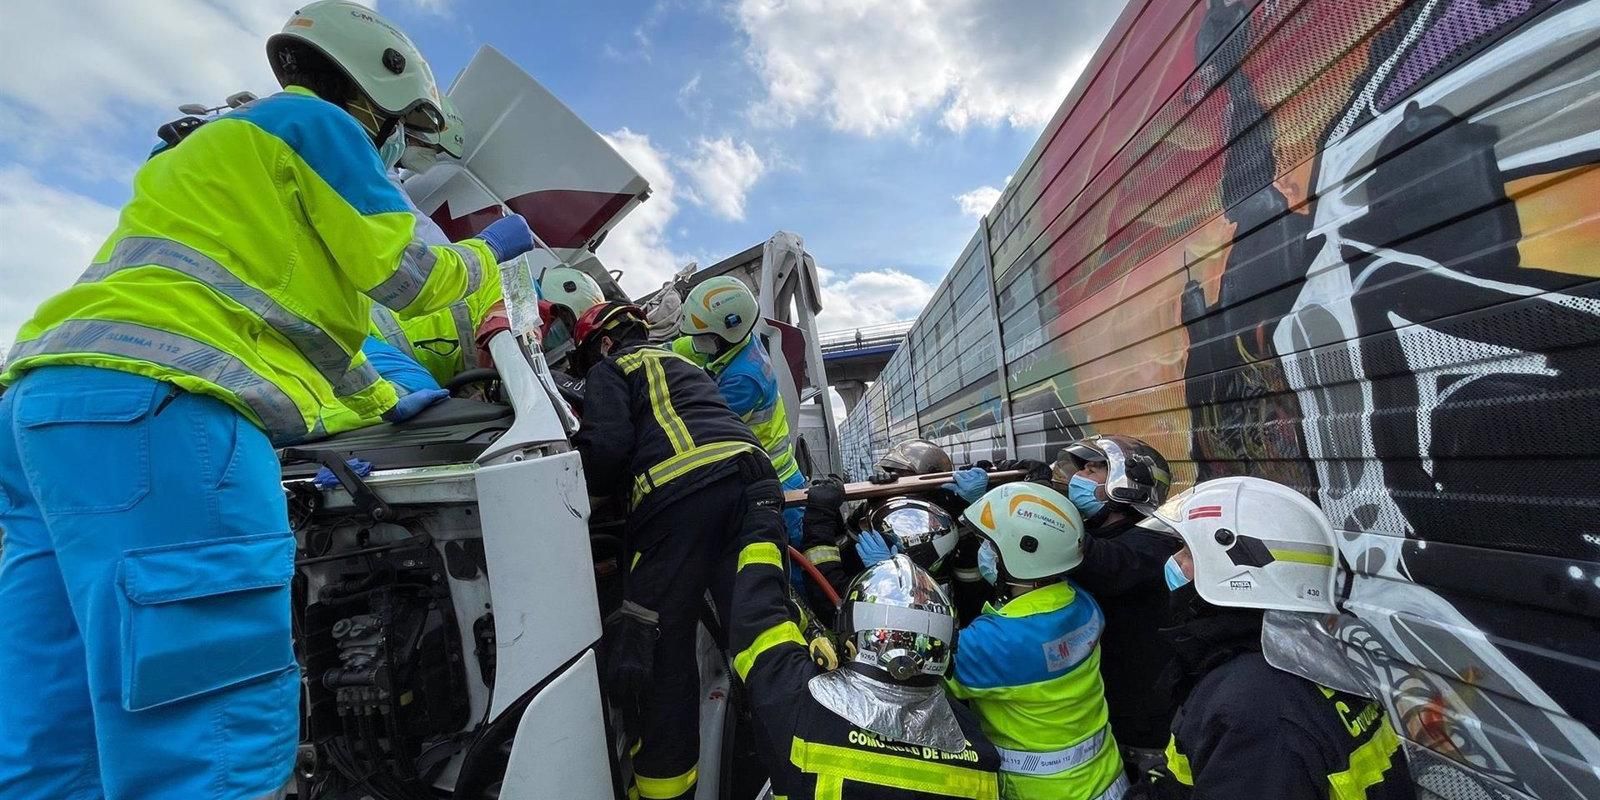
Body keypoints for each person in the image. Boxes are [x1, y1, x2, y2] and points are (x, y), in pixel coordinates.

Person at [0, 3, 536, 798]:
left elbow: (291, 333)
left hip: (46, 406)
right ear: (379, 100)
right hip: (162, 413)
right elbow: (412, 274)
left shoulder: (214, 156)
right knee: (207, 737)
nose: (397, 159)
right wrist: (487, 256)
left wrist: (390, 395)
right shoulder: (318, 126)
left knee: (55, 719)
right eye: (404, 138)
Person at [569, 301, 769, 800]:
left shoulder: (611, 368)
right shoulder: (686, 364)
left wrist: (576, 495)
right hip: (754, 485)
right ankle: (783, 758)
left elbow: (609, 448)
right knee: (760, 627)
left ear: (605, 344)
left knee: (657, 649)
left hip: (685, 494)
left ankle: (665, 792)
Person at [1129, 476, 1413, 799]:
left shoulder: (1255, 710)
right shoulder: (1316, 654)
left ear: (1237, 572)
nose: (1175, 562)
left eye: (1187, 551)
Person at [729, 487, 1002, 799]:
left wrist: (762, 516)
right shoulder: (978, 752)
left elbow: (757, 615)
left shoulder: (802, 703)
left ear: (847, 641)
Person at [948, 483, 1128, 800]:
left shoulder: (994, 643)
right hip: (1109, 778)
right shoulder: (1082, 603)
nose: (984, 551)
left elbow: (917, 672)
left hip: (1046, 793)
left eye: (989, 544)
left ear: (1021, 554)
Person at [1050, 435, 1182, 774]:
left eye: (1094, 469)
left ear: (1127, 484)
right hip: (1107, 722)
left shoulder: (1156, 543)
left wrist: (1037, 510)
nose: (1078, 476)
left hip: (1146, 738)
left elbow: (1106, 565)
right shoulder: (1111, 536)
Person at [672, 276, 810, 557]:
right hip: (772, 472)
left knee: (791, 556)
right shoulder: (733, 343)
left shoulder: (745, 378)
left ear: (725, 334)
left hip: (777, 481)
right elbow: (682, 348)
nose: (696, 343)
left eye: (703, 337)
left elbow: (703, 425)